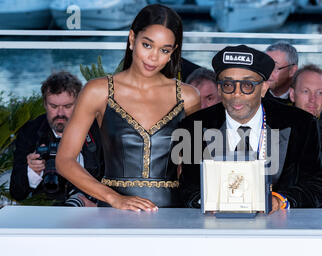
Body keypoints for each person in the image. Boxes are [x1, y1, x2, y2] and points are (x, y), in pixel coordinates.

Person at [55, 4, 200, 212]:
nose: (153, 57)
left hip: (173, 213)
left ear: (173, 52)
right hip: (114, 213)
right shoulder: (98, 91)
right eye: (147, 45)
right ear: (132, 39)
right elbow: (64, 160)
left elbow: (191, 165)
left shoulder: (188, 96)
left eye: (164, 50)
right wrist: (114, 198)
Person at [179, 45, 322, 211]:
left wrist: (280, 201)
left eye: (247, 85)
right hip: (217, 229)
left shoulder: (301, 123)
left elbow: (316, 184)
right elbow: (186, 188)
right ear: (220, 89)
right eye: (228, 85)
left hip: (280, 229)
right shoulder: (194, 126)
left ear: (263, 88)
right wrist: (206, 202)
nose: (236, 94)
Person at [10, 71, 104, 206]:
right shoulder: (30, 132)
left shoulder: (98, 131)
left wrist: (97, 206)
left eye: (67, 106)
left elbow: (114, 181)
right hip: (45, 210)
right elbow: (17, 192)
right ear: (45, 104)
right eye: (53, 106)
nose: (60, 113)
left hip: (90, 211)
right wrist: (32, 171)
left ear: (79, 104)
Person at [289, 64, 322, 159]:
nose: (312, 99)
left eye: (319, 92)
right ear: (292, 95)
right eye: (306, 91)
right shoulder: (276, 130)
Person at [264, 41, 299, 106]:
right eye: (265, 66)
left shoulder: (302, 98)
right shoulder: (255, 95)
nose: (267, 72)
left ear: (292, 71)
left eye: (274, 68)